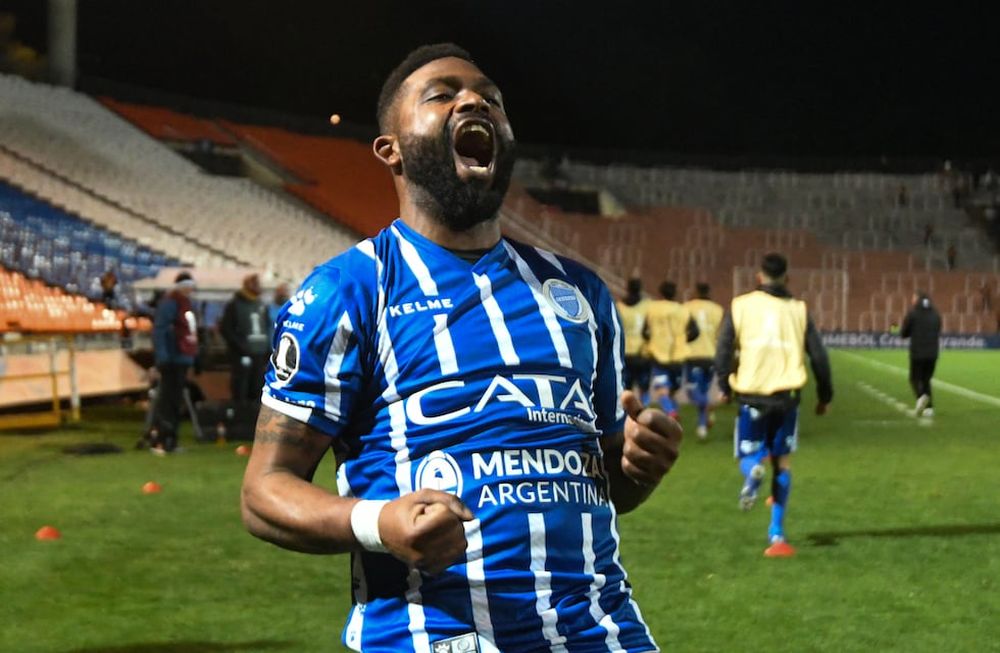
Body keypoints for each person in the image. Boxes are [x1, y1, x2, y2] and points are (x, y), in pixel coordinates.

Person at [240, 43, 681, 653]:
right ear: (389, 149)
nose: (475, 100)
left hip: (602, 632)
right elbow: (264, 492)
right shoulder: (347, 293)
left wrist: (635, 467)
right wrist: (379, 523)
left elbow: (607, 485)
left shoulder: (578, 293)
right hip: (434, 636)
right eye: (442, 94)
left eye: (490, 99)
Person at [715, 253, 833, 557]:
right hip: (787, 398)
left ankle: (754, 469)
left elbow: (724, 346)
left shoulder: (740, 305)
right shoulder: (799, 309)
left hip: (752, 395)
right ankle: (777, 533)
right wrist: (825, 396)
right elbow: (819, 356)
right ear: (787, 278)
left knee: (748, 454)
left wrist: (723, 384)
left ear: (758, 277)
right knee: (783, 462)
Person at [151, 271, 198, 454]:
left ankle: (171, 439)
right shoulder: (171, 303)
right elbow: (160, 330)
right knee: (167, 400)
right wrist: (162, 357)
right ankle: (162, 439)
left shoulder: (185, 304)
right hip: (172, 357)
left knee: (175, 400)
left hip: (182, 357)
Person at [644, 280, 698, 420]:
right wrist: (683, 340)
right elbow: (695, 332)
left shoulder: (652, 309)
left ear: (660, 293)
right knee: (673, 390)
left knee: (662, 390)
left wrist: (653, 339)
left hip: (658, 355)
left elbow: (644, 332)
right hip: (678, 356)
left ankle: (670, 413)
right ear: (675, 293)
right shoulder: (684, 310)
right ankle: (672, 414)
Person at [220, 273, 272, 405]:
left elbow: (267, 326)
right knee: (241, 387)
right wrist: (240, 347)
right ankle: (240, 418)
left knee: (257, 387)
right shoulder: (235, 305)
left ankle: (253, 418)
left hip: (259, 353)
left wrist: (267, 348)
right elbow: (226, 329)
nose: (258, 286)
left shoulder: (261, 304)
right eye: (255, 283)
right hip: (242, 353)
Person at [683, 282, 724, 440]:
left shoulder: (687, 307)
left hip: (693, 355)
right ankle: (702, 426)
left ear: (695, 291)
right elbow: (720, 336)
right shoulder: (717, 310)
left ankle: (707, 408)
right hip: (711, 356)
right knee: (703, 391)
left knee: (693, 393)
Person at [900, 292, 942, 417]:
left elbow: (904, 333)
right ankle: (929, 408)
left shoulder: (912, 313)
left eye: (913, 298)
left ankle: (921, 396)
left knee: (914, 378)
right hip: (933, 353)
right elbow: (938, 329)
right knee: (926, 380)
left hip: (918, 353)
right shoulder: (936, 314)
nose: (912, 300)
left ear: (917, 299)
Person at [616, 276, 651, 398]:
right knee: (644, 389)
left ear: (627, 288)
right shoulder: (648, 306)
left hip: (624, 353)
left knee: (625, 388)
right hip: (642, 353)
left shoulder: (619, 307)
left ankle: (627, 413)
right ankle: (642, 412)